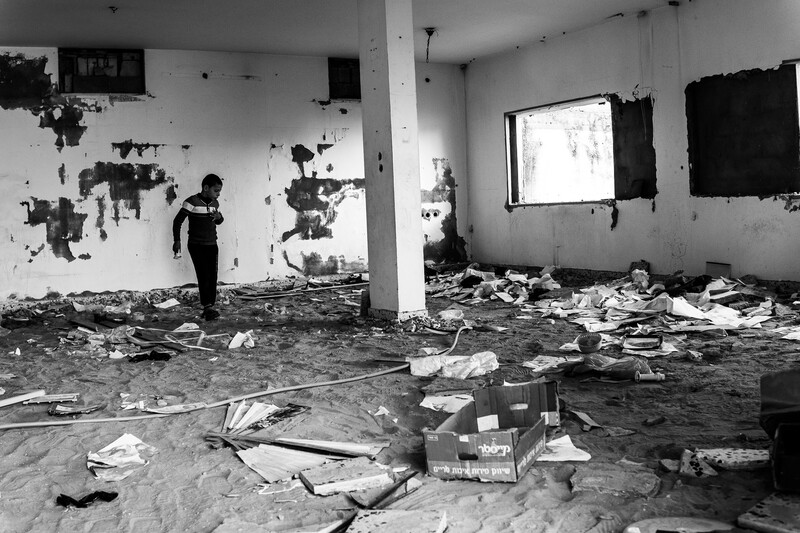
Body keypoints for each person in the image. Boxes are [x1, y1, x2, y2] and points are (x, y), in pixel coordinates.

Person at [172, 173, 224, 320]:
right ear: (206, 188)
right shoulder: (192, 202)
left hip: (212, 244)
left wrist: (220, 218)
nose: (218, 194)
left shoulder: (215, 204)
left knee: (213, 274)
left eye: (219, 191)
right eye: (216, 191)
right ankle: (207, 307)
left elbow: (218, 221)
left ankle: (210, 305)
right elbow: (177, 221)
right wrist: (177, 240)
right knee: (203, 274)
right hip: (196, 245)